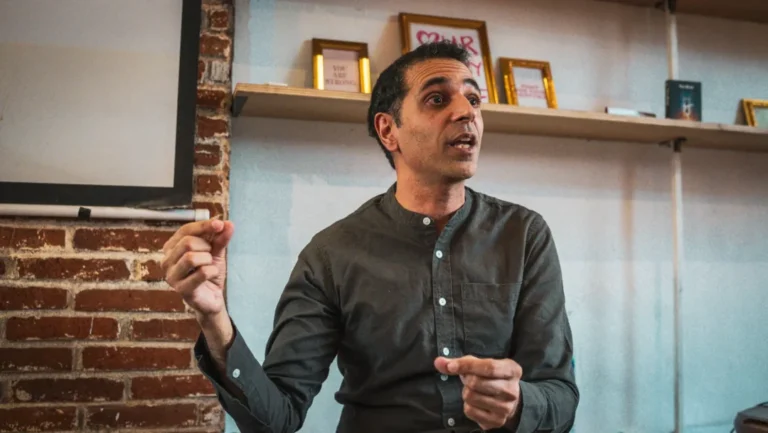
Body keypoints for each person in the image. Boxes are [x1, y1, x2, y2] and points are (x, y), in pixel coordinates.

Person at [161, 41, 578, 433]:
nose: (466, 113)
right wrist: (214, 319)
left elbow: (560, 397)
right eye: (437, 99)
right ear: (388, 130)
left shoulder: (524, 235)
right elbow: (277, 416)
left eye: (473, 99)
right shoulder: (331, 254)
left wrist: (520, 401)